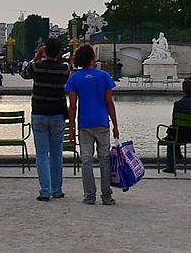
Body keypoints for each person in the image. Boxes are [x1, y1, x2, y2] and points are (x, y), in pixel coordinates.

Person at [66, 43, 118, 205]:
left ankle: (89, 196)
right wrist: (115, 125)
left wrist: (72, 128)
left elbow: (73, 106)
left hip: (84, 124)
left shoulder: (74, 78)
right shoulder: (104, 76)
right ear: (93, 59)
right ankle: (106, 196)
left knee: (86, 160)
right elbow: (109, 102)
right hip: (102, 122)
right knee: (104, 159)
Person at [21, 37, 70, 202]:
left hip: (40, 114)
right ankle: (57, 190)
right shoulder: (64, 69)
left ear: (45, 50)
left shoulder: (37, 67)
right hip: (57, 114)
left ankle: (45, 190)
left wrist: (36, 57)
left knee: (42, 153)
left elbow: (24, 74)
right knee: (57, 154)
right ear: (59, 52)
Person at [162, 78, 191, 174]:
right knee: (174, 134)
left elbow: (174, 122)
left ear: (183, 90)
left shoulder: (178, 104)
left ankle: (171, 166)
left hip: (180, 136)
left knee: (171, 137)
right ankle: (177, 154)